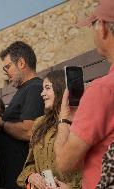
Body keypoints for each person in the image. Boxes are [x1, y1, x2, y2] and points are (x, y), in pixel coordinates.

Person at [54, 0, 114, 188]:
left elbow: (64, 165)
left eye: (92, 24)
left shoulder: (102, 91)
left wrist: (65, 120)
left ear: (102, 27)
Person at [0, 41, 44, 189]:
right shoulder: (24, 90)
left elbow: (29, 130)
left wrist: (0, 123)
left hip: (23, 180)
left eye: (8, 67)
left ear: (21, 63)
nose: (6, 72)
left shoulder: (34, 88)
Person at [17, 70, 81, 189]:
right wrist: (31, 179)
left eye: (47, 88)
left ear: (61, 90)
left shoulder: (80, 121)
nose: (42, 93)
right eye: (43, 89)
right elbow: (29, 166)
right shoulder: (39, 123)